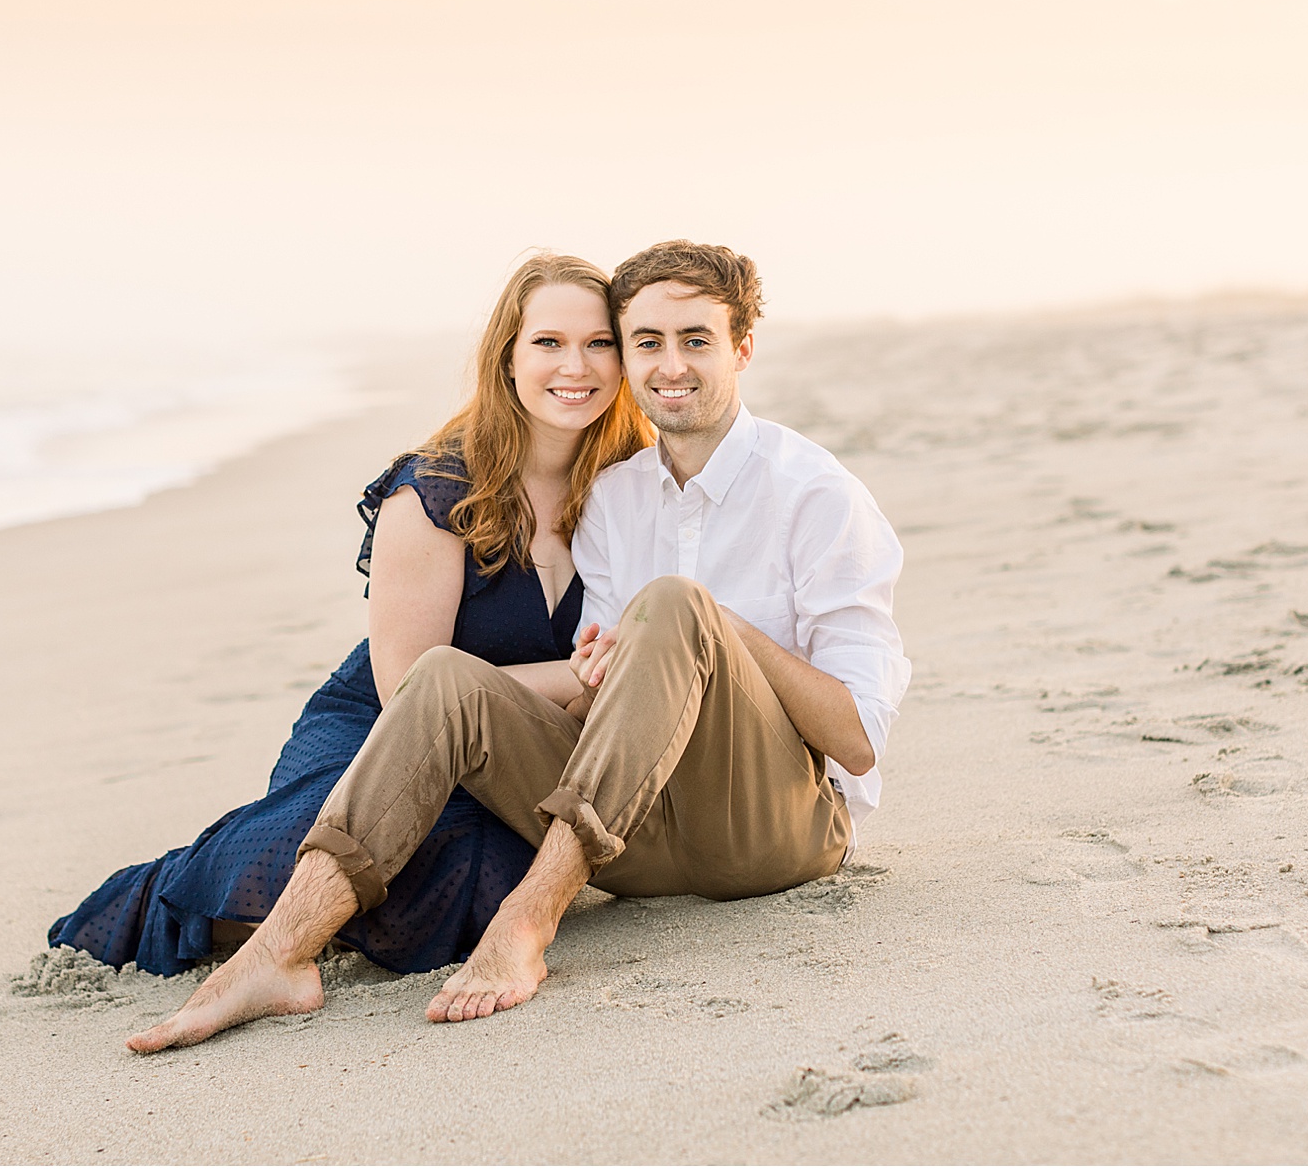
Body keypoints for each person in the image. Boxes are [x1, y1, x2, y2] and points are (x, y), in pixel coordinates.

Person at [127, 240, 909, 1053]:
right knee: (443, 677)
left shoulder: (818, 496)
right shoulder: (615, 496)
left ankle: (525, 925)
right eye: (647, 341)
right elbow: (596, 699)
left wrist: (721, 632)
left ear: (741, 347)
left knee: (678, 604)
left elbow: (857, 741)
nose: (671, 364)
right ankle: (277, 956)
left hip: (776, 832)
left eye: (696, 339)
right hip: (635, 837)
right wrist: (613, 672)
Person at [48, 253, 652, 978]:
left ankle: (347, 925)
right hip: (377, 730)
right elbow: (408, 689)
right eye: (548, 342)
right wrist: (587, 673)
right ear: (507, 358)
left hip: (511, 757)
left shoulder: (634, 485)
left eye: (598, 343)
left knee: (486, 872)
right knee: (355, 853)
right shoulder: (436, 489)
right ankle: (166, 905)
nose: (575, 366)